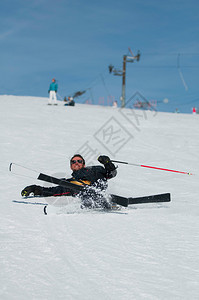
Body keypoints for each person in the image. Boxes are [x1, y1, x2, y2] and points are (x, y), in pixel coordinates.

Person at [21, 155, 117, 209]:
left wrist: (107, 163)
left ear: (83, 164)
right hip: (84, 192)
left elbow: (111, 174)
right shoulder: (70, 182)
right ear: (71, 166)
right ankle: (92, 200)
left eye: (79, 161)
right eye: (73, 162)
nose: (76, 163)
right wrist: (35, 189)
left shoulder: (96, 169)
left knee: (98, 181)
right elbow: (53, 191)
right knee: (68, 187)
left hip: (98, 188)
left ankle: (99, 197)